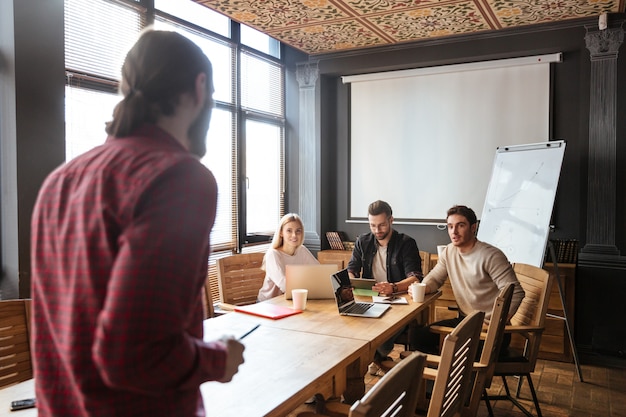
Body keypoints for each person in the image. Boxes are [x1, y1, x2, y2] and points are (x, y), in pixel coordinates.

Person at [30, 29, 244, 417]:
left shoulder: (58, 182)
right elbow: (132, 355)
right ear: (200, 88)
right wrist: (218, 360)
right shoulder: (179, 177)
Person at [412, 205, 525, 354]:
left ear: (473, 228)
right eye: (450, 226)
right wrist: (423, 287)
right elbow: (435, 277)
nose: (454, 231)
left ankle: (452, 374)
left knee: (456, 353)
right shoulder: (449, 251)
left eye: (461, 225)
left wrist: (497, 322)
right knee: (418, 338)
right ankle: (444, 374)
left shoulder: (491, 256)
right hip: (466, 322)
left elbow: (516, 292)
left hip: (491, 331)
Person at [347, 200, 422, 374]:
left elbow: (415, 277)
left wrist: (394, 287)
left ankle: (374, 359)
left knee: (383, 328)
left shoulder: (406, 243)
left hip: (398, 300)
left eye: (381, 225)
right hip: (368, 297)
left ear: (391, 220)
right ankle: (377, 360)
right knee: (349, 327)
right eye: (372, 225)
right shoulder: (363, 241)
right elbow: (351, 269)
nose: (377, 230)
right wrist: (352, 282)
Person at [257, 213, 319, 301]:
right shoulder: (273, 254)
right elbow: (283, 283)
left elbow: (318, 271)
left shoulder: (301, 250)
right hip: (268, 304)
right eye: (289, 231)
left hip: (289, 300)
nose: (294, 235)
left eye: (298, 231)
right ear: (281, 232)